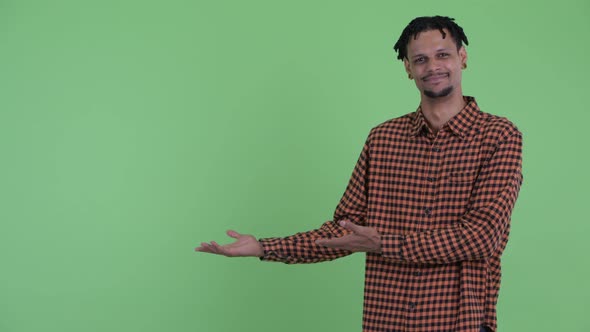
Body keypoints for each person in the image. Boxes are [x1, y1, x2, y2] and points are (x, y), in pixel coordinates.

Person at [195, 15, 523, 332]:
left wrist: (384, 243)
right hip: (386, 321)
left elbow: (481, 237)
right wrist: (265, 247)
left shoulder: (498, 136)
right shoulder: (383, 139)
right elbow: (345, 232)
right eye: (420, 59)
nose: (433, 67)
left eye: (443, 55)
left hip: (458, 323)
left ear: (462, 57)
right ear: (408, 68)